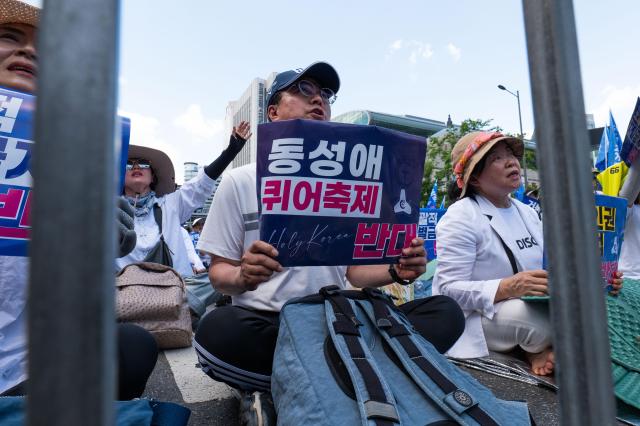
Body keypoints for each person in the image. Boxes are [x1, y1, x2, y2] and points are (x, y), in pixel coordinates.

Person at [194, 61, 464, 425]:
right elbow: (218, 272)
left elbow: (352, 272)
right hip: (270, 323)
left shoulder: (350, 185)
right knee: (218, 332)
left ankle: (291, 383)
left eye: (326, 95)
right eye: (304, 90)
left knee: (444, 313)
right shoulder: (240, 181)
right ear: (273, 112)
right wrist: (243, 275)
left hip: (339, 321)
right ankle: (356, 376)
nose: (318, 100)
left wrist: (394, 270)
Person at [0, 0, 157, 399]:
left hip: (35, 363)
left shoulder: (76, 154)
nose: (31, 51)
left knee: (131, 346)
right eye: (8, 37)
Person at [433, 131, 622, 376]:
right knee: (545, 326)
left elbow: (554, 266)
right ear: (475, 179)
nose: (512, 161)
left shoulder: (527, 212)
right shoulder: (460, 216)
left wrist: (603, 278)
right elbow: (448, 291)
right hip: (481, 315)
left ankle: (535, 349)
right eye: (496, 159)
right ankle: (532, 349)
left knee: (604, 310)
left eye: (510, 154)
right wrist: (505, 287)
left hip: (536, 303)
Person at [116, 119, 250, 277]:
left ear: (153, 177)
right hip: (124, 293)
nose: (137, 167)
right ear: (119, 176)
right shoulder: (108, 211)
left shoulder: (171, 204)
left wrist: (229, 153)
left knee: (216, 280)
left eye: (144, 164)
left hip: (173, 291)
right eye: (129, 164)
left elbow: (200, 184)